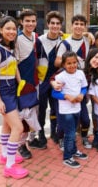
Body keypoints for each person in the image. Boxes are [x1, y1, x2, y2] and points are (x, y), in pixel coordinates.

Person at [0, 16, 28, 179]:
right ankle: (9, 166)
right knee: (17, 128)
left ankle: (4, 155)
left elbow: (14, 67)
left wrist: (20, 82)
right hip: (2, 90)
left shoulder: (9, 47)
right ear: (0, 29)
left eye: (14, 29)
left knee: (7, 124)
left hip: (11, 88)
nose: (12, 32)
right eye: (8, 29)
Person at [55, 14, 92, 149]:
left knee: (84, 117)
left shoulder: (88, 41)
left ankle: (83, 137)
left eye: (82, 24)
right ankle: (61, 139)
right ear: (71, 26)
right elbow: (57, 61)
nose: (79, 26)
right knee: (64, 117)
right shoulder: (65, 43)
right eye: (76, 24)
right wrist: (72, 59)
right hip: (66, 85)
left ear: (85, 27)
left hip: (80, 82)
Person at [51, 51, 88, 169]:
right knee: (70, 133)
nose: (72, 65)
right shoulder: (60, 76)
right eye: (68, 63)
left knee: (73, 132)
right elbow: (54, 93)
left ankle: (74, 150)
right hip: (65, 110)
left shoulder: (80, 74)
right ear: (63, 65)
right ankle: (67, 157)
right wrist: (66, 96)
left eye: (74, 63)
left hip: (77, 108)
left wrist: (82, 95)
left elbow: (84, 87)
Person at [34, 11, 64, 146]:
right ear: (48, 24)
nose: (55, 26)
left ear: (61, 25)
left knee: (55, 108)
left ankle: (54, 132)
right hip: (42, 80)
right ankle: (41, 134)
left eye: (58, 23)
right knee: (41, 109)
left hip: (56, 79)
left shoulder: (63, 41)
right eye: (52, 23)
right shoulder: (39, 40)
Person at [14, 9, 41, 159]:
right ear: (21, 22)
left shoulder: (35, 37)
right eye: (27, 21)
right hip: (23, 84)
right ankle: (21, 145)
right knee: (23, 116)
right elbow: (14, 63)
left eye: (33, 21)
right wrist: (20, 83)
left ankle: (32, 139)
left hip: (35, 82)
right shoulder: (17, 39)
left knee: (34, 113)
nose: (30, 23)